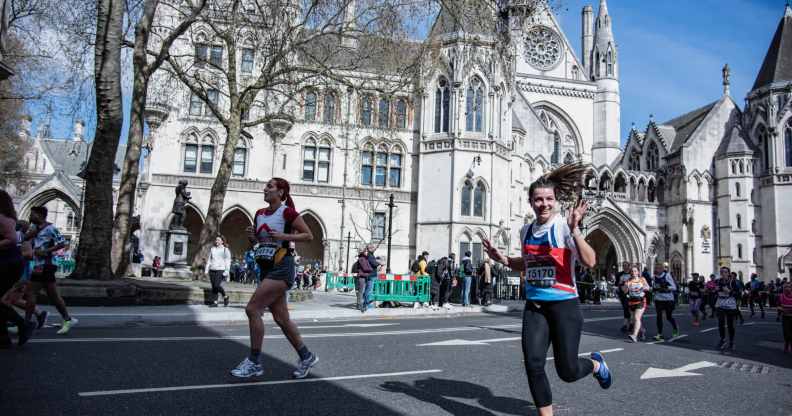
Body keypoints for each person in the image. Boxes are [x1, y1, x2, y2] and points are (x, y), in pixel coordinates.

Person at [483, 163, 612, 416]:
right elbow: (529, 263)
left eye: (549, 199)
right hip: (535, 306)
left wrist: (575, 229)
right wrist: (505, 260)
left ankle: (597, 365)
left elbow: (590, 261)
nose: (544, 204)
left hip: (564, 305)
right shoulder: (526, 231)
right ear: (531, 202)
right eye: (538, 199)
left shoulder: (563, 227)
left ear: (555, 201)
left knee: (568, 371)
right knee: (533, 364)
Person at [231, 178, 317, 379]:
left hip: (282, 267)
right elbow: (261, 242)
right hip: (266, 268)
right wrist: (252, 237)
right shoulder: (260, 214)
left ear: (281, 192)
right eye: (266, 186)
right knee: (281, 319)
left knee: (252, 309)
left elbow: (308, 235)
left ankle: (254, 362)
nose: (265, 189)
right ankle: (307, 356)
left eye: (269, 186)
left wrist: (284, 237)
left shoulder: (287, 212)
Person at [25, 206, 77, 334]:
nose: (30, 217)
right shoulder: (35, 229)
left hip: (47, 265)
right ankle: (67, 319)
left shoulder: (51, 228)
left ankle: (26, 324)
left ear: (39, 215)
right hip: (38, 265)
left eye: (32, 214)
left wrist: (46, 251)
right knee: (51, 296)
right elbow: (25, 239)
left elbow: (62, 242)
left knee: (32, 293)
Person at [0, 190, 35, 347]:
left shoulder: (3, 218)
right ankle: (4, 339)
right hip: (8, 262)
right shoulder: (7, 217)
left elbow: (12, 239)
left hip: (8, 263)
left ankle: (23, 324)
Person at [622, 265, 650, 343]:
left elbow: (648, 287)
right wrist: (626, 286)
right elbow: (624, 291)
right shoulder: (628, 281)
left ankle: (634, 336)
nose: (633, 272)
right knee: (634, 319)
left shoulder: (642, 279)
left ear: (638, 272)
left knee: (637, 317)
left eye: (635, 271)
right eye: (632, 271)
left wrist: (643, 288)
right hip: (631, 301)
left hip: (641, 301)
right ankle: (642, 330)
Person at [714, 267, 740, 352]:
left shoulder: (732, 282)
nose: (723, 273)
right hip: (720, 303)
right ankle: (722, 340)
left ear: (728, 273)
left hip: (730, 304)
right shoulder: (718, 281)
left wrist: (729, 291)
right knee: (720, 323)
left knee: (730, 325)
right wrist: (715, 290)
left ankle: (731, 341)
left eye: (725, 272)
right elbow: (714, 291)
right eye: (722, 272)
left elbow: (738, 293)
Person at [652, 262, 679, 341]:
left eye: (658, 268)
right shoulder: (654, 277)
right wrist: (654, 289)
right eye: (656, 268)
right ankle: (659, 334)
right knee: (659, 316)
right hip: (658, 299)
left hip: (668, 299)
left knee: (668, 317)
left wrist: (666, 287)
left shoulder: (667, 275)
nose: (656, 269)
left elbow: (674, 287)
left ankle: (675, 328)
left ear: (662, 269)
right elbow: (654, 287)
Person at [205, 236, 231, 307]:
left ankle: (225, 296)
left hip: (220, 270)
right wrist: (206, 269)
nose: (216, 241)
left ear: (222, 241)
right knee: (214, 287)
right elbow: (209, 260)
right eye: (216, 240)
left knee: (217, 285)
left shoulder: (225, 250)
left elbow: (228, 261)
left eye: (218, 240)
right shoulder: (212, 249)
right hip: (212, 270)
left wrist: (226, 271)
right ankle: (215, 302)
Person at [616, 262, 631, 334]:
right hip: (622, 294)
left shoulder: (632, 274)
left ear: (629, 266)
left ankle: (627, 324)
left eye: (626, 266)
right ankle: (629, 324)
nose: (624, 267)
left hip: (631, 294)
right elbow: (617, 283)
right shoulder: (619, 274)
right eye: (623, 266)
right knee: (625, 308)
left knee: (628, 308)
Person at [777, 282, 792, 353]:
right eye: (785, 287)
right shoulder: (781, 296)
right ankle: (786, 343)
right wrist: (781, 312)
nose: (787, 288)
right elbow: (778, 306)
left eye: (788, 287)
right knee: (786, 333)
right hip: (785, 317)